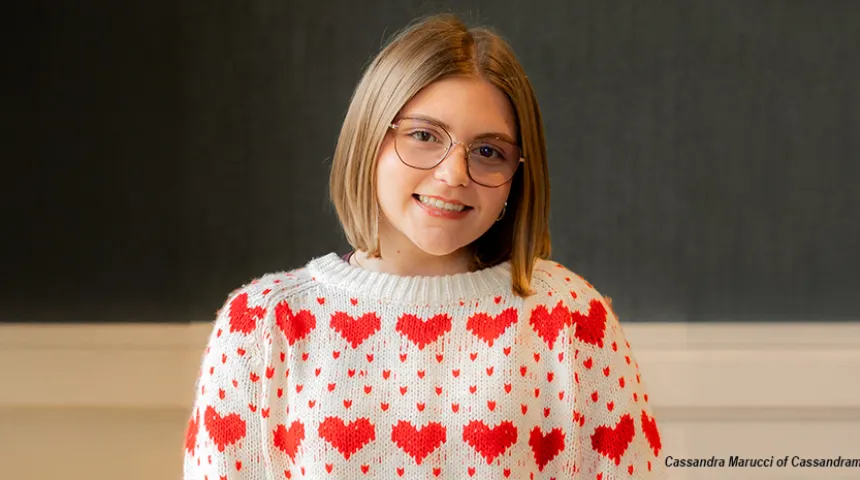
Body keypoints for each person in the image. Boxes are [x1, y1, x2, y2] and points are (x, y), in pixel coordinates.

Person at [183, 13, 666, 479]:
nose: (453, 174)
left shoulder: (571, 320)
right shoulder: (263, 325)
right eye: (423, 135)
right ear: (369, 137)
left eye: (488, 151)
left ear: (516, 176)